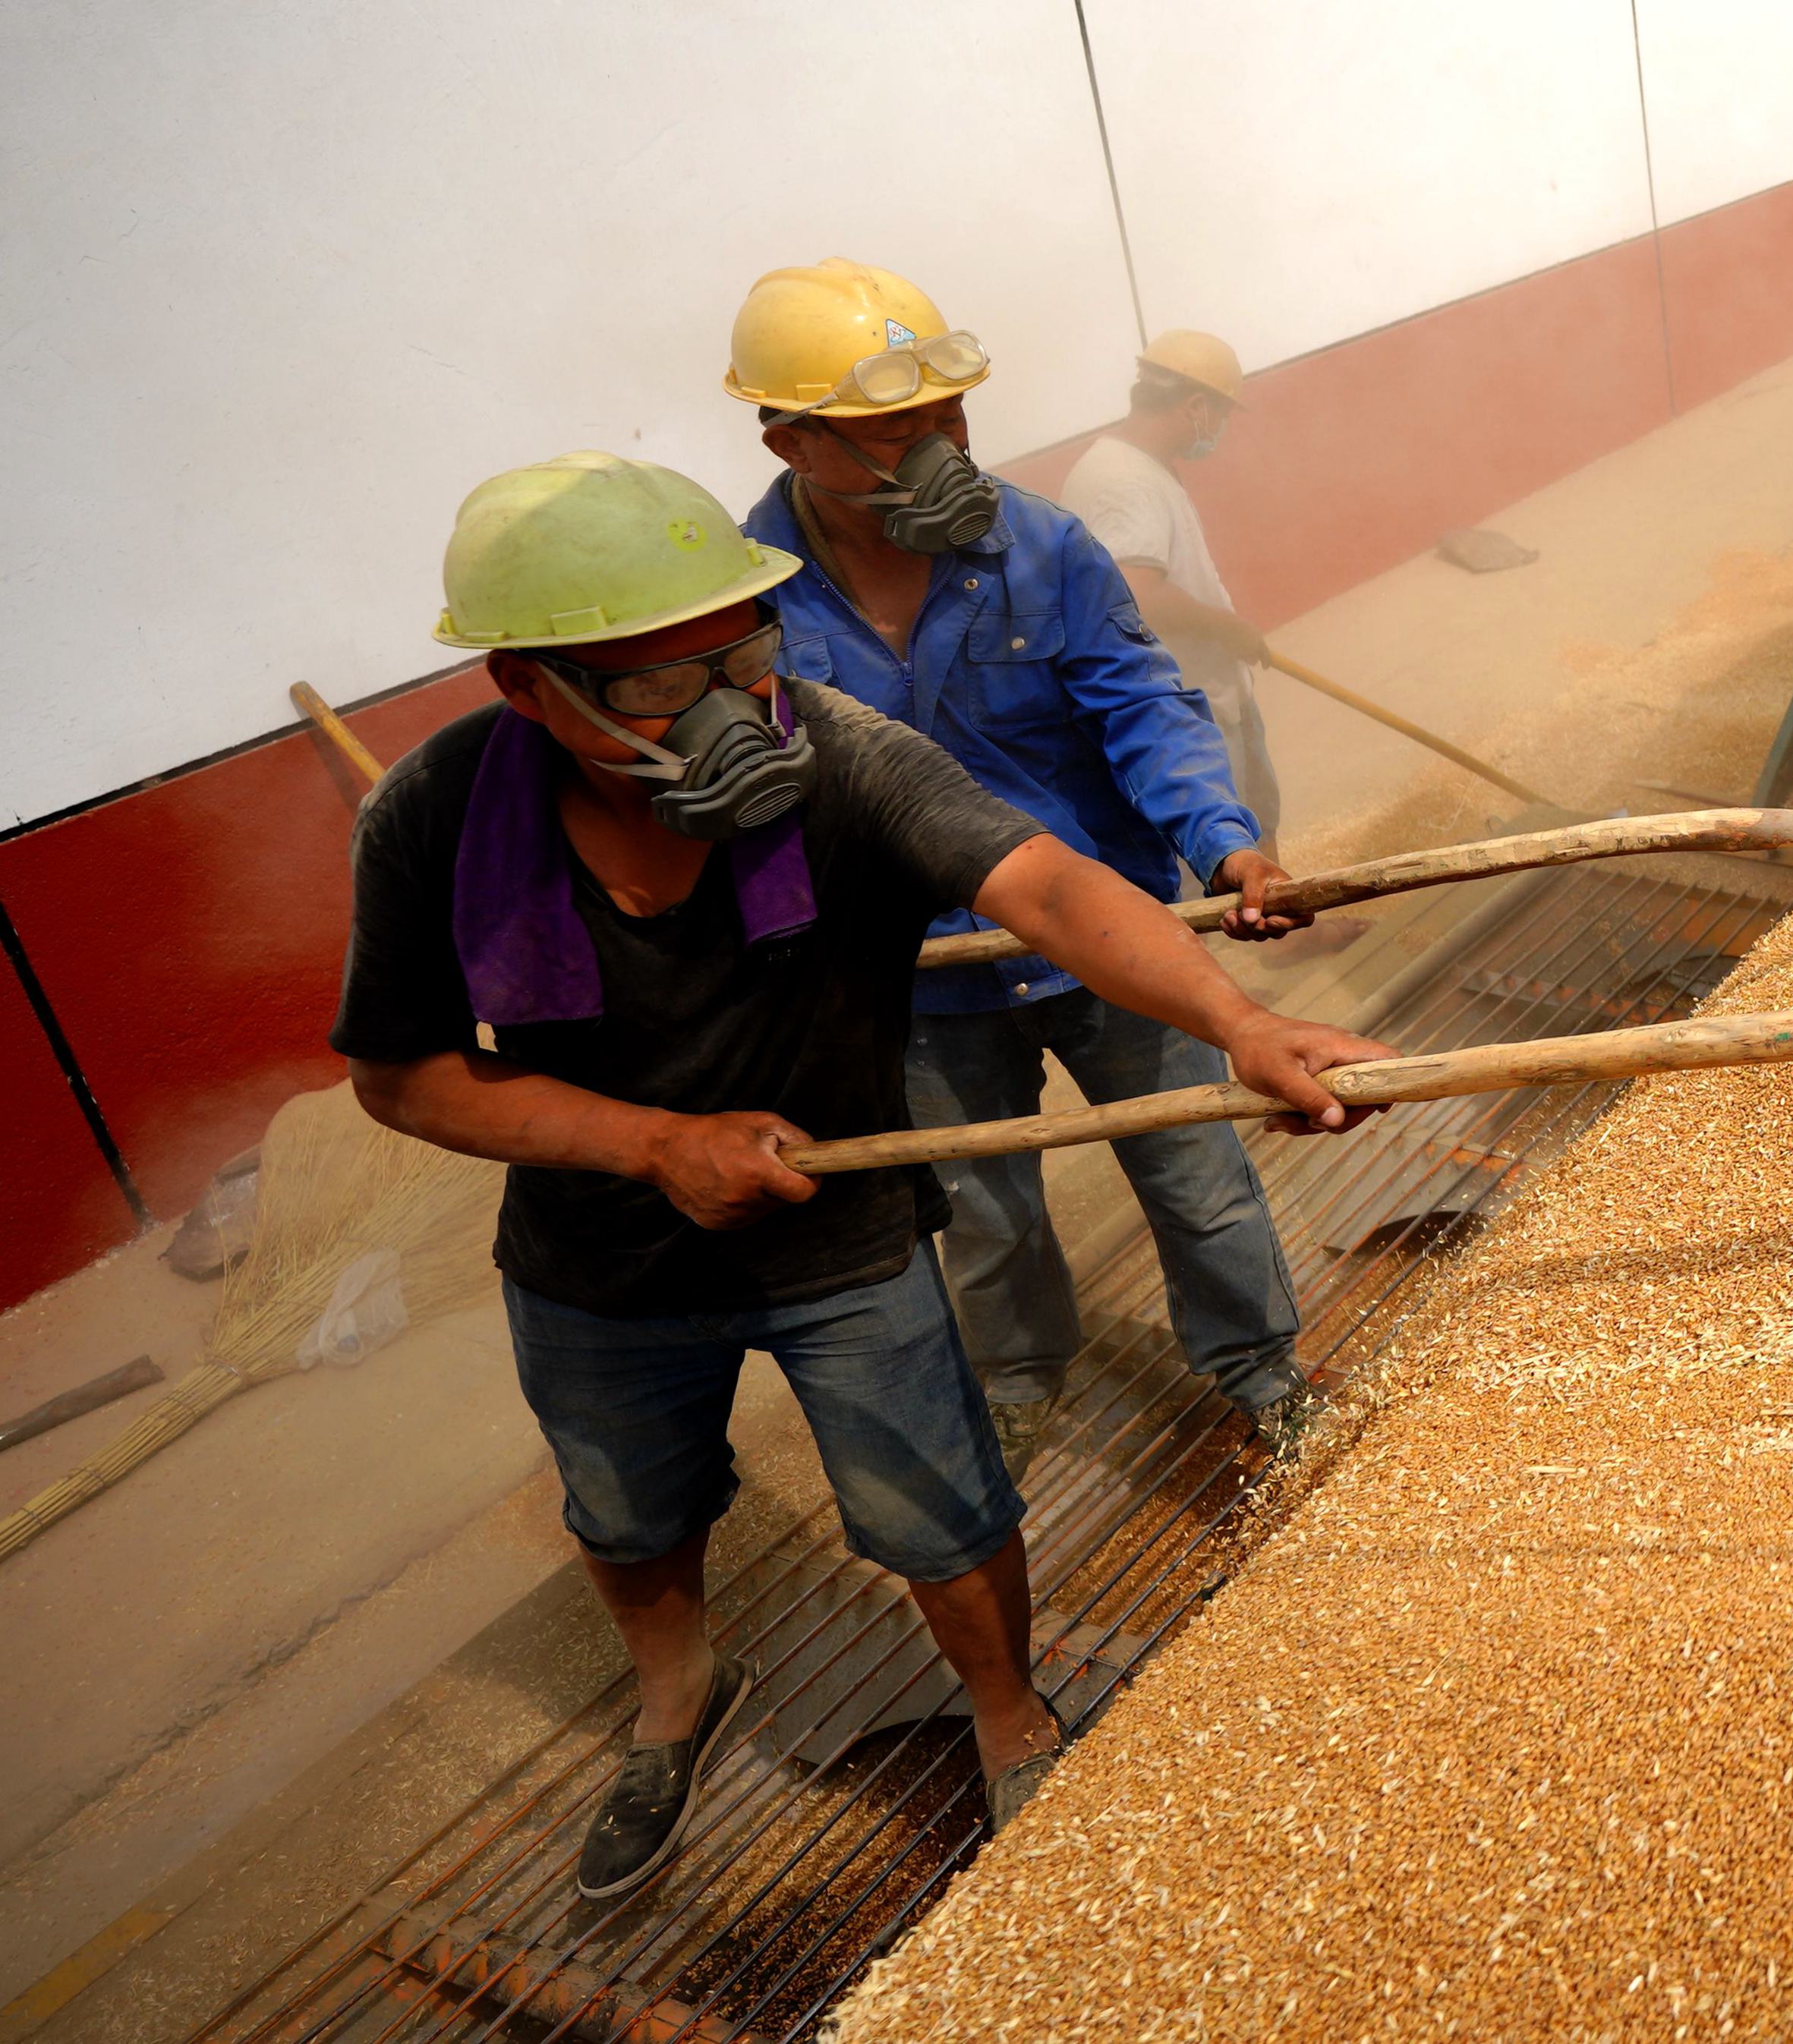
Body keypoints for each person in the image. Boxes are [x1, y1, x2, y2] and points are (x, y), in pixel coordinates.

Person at [335, 453, 1383, 1888]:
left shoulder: (837, 754)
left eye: (738, 653)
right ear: (530, 689)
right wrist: (650, 1142)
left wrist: (1239, 1022)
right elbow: (400, 1075)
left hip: (839, 1229)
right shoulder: (432, 821)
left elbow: (1053, 887)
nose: (723, 710)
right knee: (630, 1517)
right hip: (597, 1258)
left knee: (938, 1509)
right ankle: (679, 1699)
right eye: (654, 687)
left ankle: (1010, 1714)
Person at [720, 261, 1318, 1470]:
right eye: (896, 432)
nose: (940, 453)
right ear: (792, 439)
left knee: (1196, 1175)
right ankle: (1023, 1378)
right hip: (925, 972)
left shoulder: (1042, 548)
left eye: (950, 419)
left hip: (1106, 934)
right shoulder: (744, 606)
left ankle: (1258, 1371)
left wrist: (1221, 836)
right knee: (986, 1211)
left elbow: (1143, 701)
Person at [1059, 331, 1280, 846]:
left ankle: (1294, 928)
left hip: (1215, 692)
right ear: (1196, 406)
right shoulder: (1123, 480)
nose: (1218, 428)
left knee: (1259, 821)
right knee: (1225, 845)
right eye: (1220, 414)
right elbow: (1138, 593)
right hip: (1185, 711)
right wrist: (1232, 628)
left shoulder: (1135, 468)